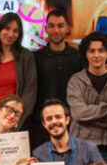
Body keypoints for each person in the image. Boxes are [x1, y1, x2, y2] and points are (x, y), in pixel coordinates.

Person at [30, 9, 84, 148]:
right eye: (51, 26)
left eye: (60, 26)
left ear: (67, 28)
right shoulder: (35, 58)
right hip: (42, 127)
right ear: (46, 29)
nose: (56, 30)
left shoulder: (78, 57)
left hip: (72, 125)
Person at [66, 31, 107, 165]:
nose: (96, 55)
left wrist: (90, 118)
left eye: (101, 51)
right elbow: (78, 114)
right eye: (92, 51)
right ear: (86, 54)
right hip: (80, 146)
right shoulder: (76, 81)